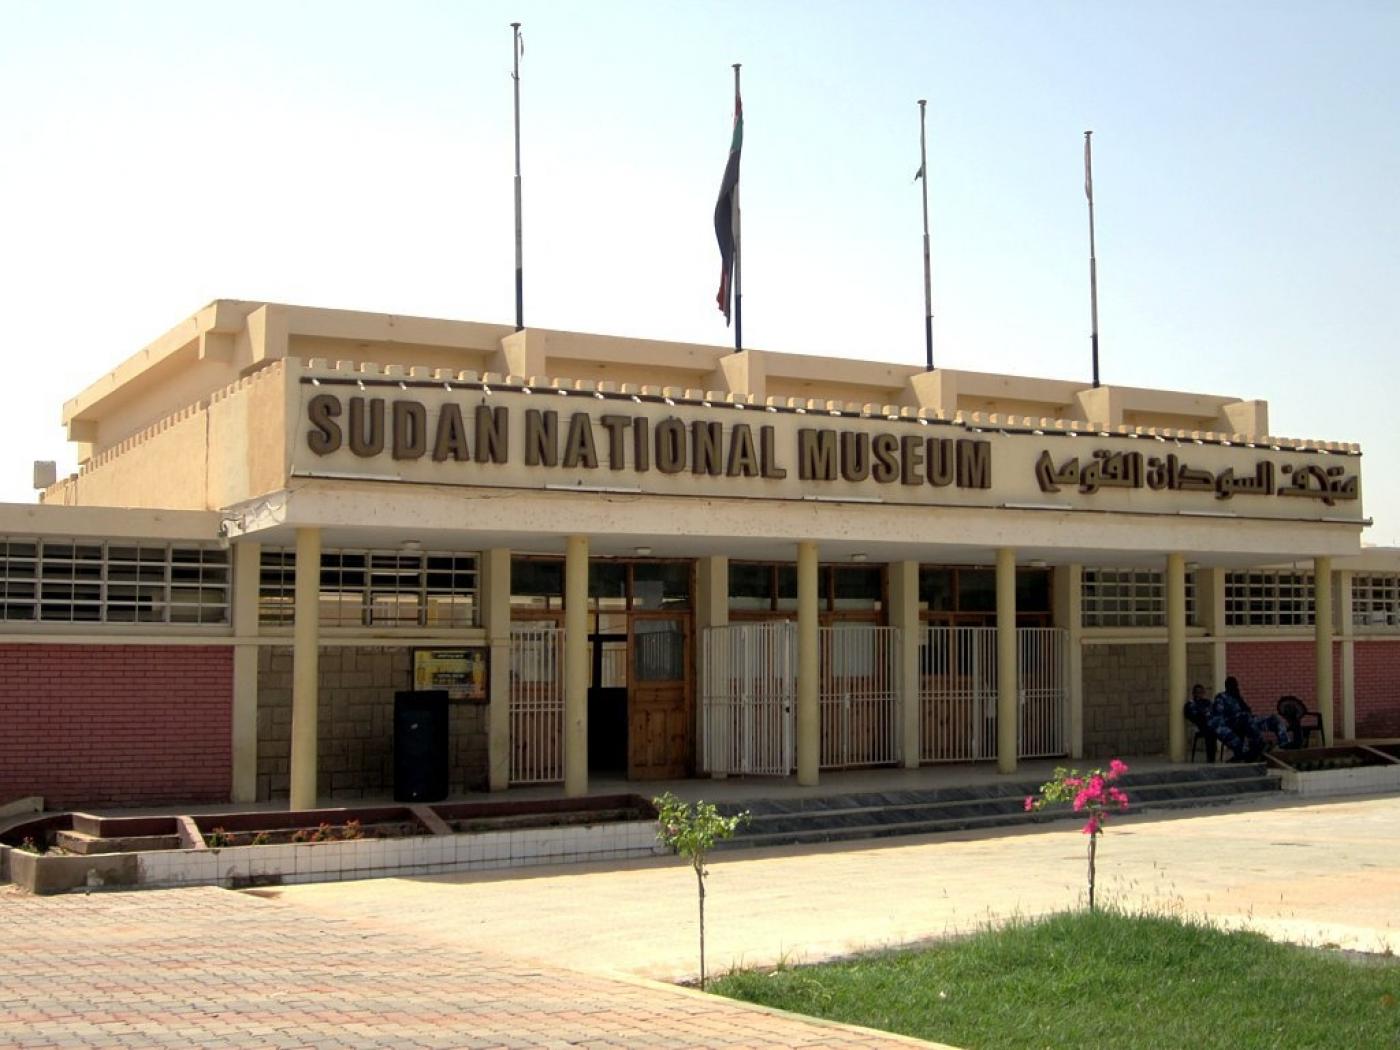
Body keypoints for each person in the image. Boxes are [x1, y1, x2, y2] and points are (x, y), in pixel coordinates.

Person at [1209, 676, 1291, 760]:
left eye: (1235, 685)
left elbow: (1248, 711)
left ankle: (1285, 744)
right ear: (1227, 686)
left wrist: (1240, 700)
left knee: (1274, 719)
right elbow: (1218, 717)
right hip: (1232, 722)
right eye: (1231, 685)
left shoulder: (1237, 697)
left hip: (1248, 721)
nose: (1234, 687)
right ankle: (1258, 744)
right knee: (1245, 717)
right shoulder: (1221, 697)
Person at [1183, 683, 1217, 762]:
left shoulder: (1207, 702)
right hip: (1200, 726)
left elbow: (1213, 711)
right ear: (1194, 693)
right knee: (1209, 731)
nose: (1200, 694)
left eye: (1201, 692)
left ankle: (1212, 757)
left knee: (1214, 731)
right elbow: (1193, 715)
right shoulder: (1190, 704)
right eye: (1198, 692)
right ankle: (1210, 758)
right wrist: (1204, 714)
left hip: (1210, 724)